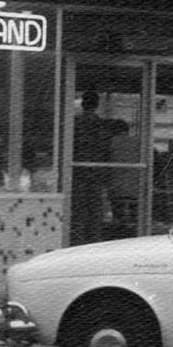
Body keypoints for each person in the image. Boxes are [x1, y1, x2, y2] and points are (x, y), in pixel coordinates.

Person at [71, 91, 109, 245]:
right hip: (96, 173)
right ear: (97, 104)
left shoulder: (75, 123)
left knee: (78, 212)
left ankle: (77, 243)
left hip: (78, 173)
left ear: (82, 103)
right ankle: (94, 243)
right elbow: (105, 148)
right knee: (94, 213)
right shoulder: (101, 124)